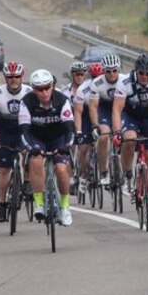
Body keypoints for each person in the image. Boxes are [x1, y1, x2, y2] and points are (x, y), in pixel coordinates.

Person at [18, 69, 75, 226]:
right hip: (37, 138)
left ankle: (65, 206)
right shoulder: (26, 102)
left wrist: (67, 146)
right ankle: (39, 202)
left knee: (61, 169)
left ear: (52, 86)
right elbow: (24, 131)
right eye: (39, 89)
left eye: (47, 87)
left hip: (58, 138)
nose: (44, 92)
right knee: (36, 161)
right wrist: (30, 148)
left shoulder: (62, 100)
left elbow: (70, 128)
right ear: (33, 89)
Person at [111, 53, 148, 220]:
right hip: (131, 116)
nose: (144, 77)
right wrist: (117, 132)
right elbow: (117, 109)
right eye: (141, 73)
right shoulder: (125, 82)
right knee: (129, 139)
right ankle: (127, 174)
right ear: (136, 71)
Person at [0, 62, 32, 223]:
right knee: (4, 169)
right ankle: (2, 204)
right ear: (5, 78)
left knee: (29, 154)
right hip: (5, 130)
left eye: (16, 77)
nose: (13, 80)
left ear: (22, 77)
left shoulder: (29, 92)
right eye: (10, 77)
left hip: (23, 128)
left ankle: (27, 182)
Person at [87, 54, 128, 188]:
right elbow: (93, 107)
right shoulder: (97, 83)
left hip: (121, 107)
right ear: (103, 71)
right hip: (104, 107)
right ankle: (104, 171)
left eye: (114, 70)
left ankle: (124, 169)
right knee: (104, 136)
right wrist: (95, 125)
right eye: (108, 71)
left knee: (127, 137)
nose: (112, 74)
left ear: (118, 70)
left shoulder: (125, 80)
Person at [72, 61, 104, 195]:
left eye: (99, 76)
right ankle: (83, 175)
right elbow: (78, 112)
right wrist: (79, 131)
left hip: (102, 113)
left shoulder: (107, 86)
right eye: (94, 77)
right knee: (84, 148)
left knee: (105, 139)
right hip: (85, 116)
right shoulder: (83, 89)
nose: (96, 79)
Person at [62, 60, 88, 195]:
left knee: (84, 148)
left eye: (82, 74)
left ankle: (84, 174)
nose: (79, 77)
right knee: (68, 149)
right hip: (70, 120)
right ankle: (71, 178)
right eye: (77, 74)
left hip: (85, 120)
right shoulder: (65, 91)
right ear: (72, 75)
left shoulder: (89, 89)